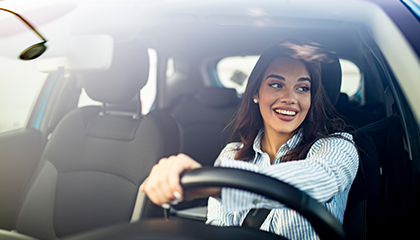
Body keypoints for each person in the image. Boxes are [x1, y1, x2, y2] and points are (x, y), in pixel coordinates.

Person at [140, 40, 359, 240]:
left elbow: (321, 178)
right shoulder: (232, 154)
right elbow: (218, 229)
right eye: (276, 84)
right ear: (255, 93)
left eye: (303, 88)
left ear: (312, 99)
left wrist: (219, 186)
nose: (290, 98)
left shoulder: (338, 146)